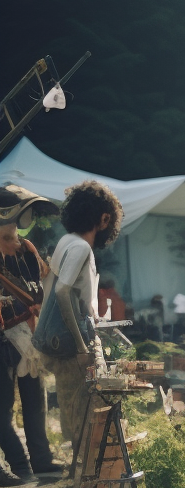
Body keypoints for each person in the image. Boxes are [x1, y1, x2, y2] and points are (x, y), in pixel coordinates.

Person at [32, 180, 122, 451]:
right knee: (86, 410)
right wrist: (83, 345)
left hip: (62, 340)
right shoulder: (81, 247)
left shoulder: (66, 241)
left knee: (72, 407)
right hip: (73, 345)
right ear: (104, 218)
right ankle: (88, 472)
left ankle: (79, 470)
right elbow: (62, 291)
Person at [0, 217, 60, 480]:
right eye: (7, 238)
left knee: (35, 400)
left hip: (28, 332)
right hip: (5, 336)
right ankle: (20, 465)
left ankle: (41, 459)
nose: (14, 243)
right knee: (3, 407)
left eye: (14, 236)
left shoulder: (27, 250)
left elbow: (42, 281)